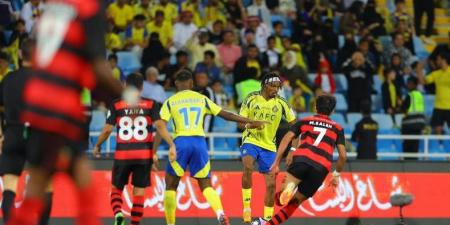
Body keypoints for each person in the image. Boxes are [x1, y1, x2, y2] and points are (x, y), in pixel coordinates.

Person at [7, 1, 124, 225]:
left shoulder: (54, 7)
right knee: (79, 176)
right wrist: (126, 96)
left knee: (41, 177)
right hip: (62, 104)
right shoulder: (90, 8)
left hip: (38, 99)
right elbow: (98, 68)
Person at [160, 70, 265, 225]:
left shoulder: (170, 101)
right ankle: (220, 213)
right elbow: (226, 114)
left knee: (170, 186)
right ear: (191, 84)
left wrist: (169, 144)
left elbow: (160, 125)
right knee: (206, 185)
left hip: (180, 142)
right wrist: (250, 121)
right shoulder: (202, 99)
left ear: (176, 84)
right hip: (199, 143)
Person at [93, 74, 175, 225]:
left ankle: (118, 213)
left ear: (125, 85)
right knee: (139, 192)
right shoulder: (151, 104)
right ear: (142, 87)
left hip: (122, 155)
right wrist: (171, 144)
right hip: (143, 156)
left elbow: (107, 130)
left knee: (116, 189)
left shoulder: (117, 104)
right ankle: (134, 223)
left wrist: (98, 144)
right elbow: (160, 126)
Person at [253, 95, 347, 225]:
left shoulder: (305, 121)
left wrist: (276, 163)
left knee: (279, 200)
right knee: (294, 203)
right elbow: (342, 155)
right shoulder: (338, 128)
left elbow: (287, 138)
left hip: (302, 159)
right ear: (332, 111)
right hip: (321, 168)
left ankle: (289, 188)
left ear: (315, 107)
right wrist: (336, 175)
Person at [0, 39, 52, 225]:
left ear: (20, 55)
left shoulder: (8, 79)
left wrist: (0, 133)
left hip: (13, 133)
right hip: (38, 135)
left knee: (10, 187)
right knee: (45, 186)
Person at [239, 72, 297, 223]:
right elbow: (239, 123)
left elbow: (296, 126)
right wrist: (251, 124)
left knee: (271, 185)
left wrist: (293, 150)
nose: (276, 90)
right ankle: (246, 207)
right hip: (251, 140)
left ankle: (267, 219)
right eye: (273, 86)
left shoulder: (282, 103)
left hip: (269, 146)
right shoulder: (250, 98)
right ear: (265, 85)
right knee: (248, 166)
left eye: (278, 87)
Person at [417, 52, 450, 135]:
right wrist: (419, 70)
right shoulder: (436, 73)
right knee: (437, 130)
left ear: (444, 60)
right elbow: (422, 82)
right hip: (438, 107)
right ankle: (439, 147)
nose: (436, 61)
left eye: (438, 59)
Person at [401, 76, 426, 160]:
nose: (408, 85)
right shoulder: (420, 95)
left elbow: (403, 109)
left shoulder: (410, 95)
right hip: (419, 124)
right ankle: (413, 164)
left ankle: (408, 166)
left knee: (408, 148)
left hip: (410, 125)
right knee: (415, 147)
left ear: (414, 85)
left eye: (409, 83)